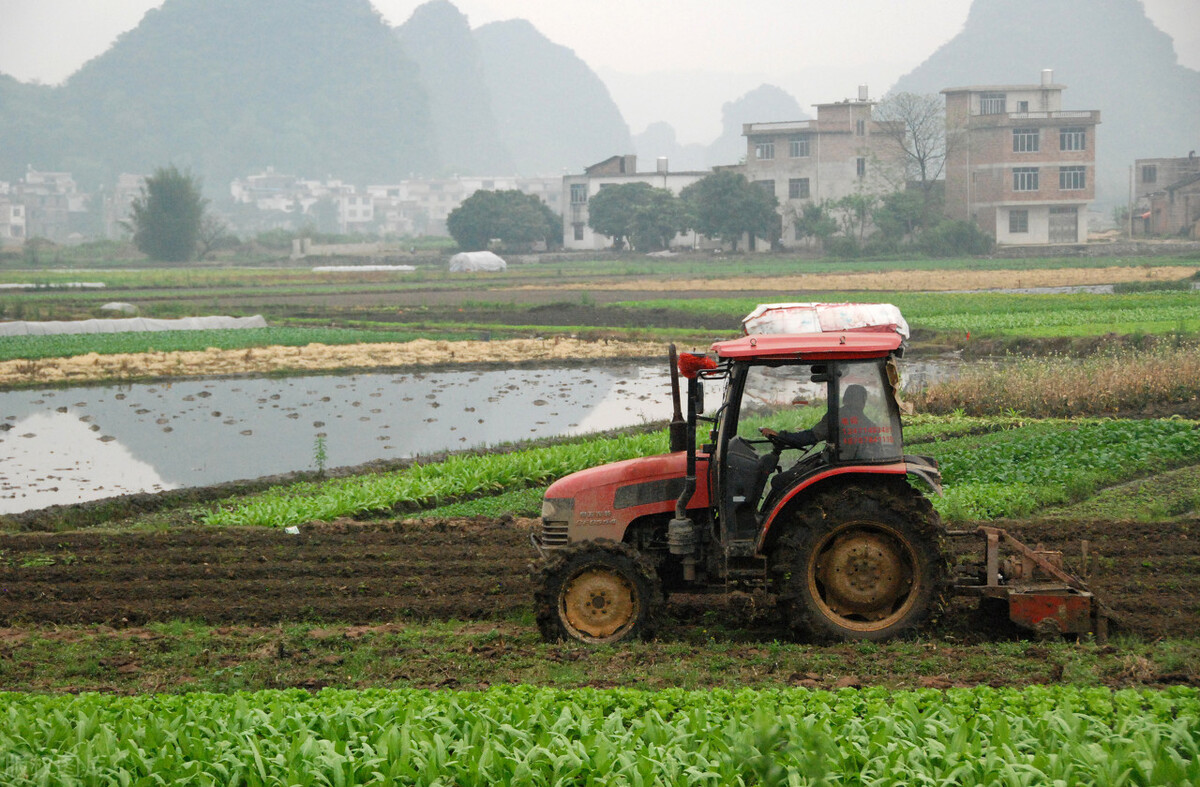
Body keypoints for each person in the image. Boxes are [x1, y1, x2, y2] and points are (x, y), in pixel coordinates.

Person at [759, 384, 874, 450]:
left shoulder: (837, 417)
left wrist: (780, 436)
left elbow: (810, 437)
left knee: (779, 481)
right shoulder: (871, 426)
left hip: (841, 467)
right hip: (849, 465)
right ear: (864, 402)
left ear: (844, 399)